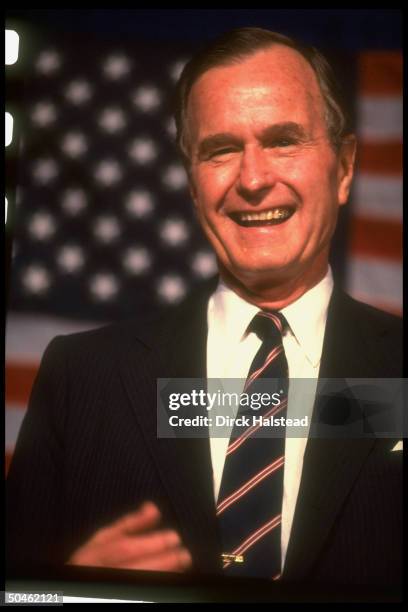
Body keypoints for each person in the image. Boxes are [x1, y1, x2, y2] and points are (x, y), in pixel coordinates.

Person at [6, 28, 402, 585]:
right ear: (192, 184)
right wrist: (71, 591)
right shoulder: (80, 377)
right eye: (220, 150)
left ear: (344, 167)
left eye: (283, 140)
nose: (254, 179)